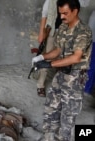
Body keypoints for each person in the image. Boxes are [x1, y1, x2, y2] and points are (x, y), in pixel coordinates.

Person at [32, 0, 92, 140]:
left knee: (67, 119)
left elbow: (76, 58)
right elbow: (57, 50)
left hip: (75, 78)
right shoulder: (64, 27)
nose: (62, 17)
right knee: (50, 111)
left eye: (65, 13)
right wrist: (42, 57)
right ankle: (48, 138)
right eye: (60, 14)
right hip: (61, 75)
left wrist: (49, 65)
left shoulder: (83, 31)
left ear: (75, 11)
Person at [36, 0, 61, 97]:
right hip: (52, 31)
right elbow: (44, 14)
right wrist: (41, 32)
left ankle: (58, 84)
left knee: (63, 57)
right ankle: (40, 84)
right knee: (47, 56)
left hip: (66, 32)